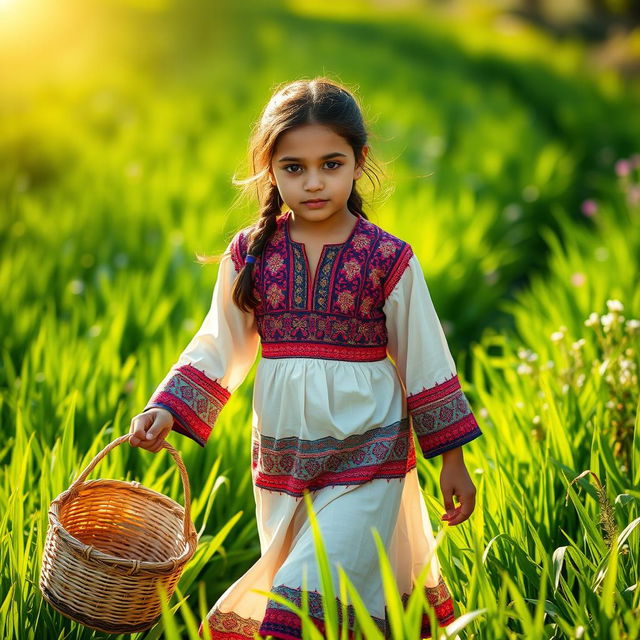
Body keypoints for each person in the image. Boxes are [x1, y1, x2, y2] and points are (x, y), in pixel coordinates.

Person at [129, 76, 483, 640]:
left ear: (359, 161)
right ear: (270, 168)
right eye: (294, 168)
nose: (313, 182)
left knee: (297, 607)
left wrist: (452, 460)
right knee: (323, 606)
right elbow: (220, 342)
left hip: (370, 455)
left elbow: (426, 359)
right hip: (283, 463)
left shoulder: (387, 258)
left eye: (331, 164)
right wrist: (168, 407)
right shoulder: (250, 253)